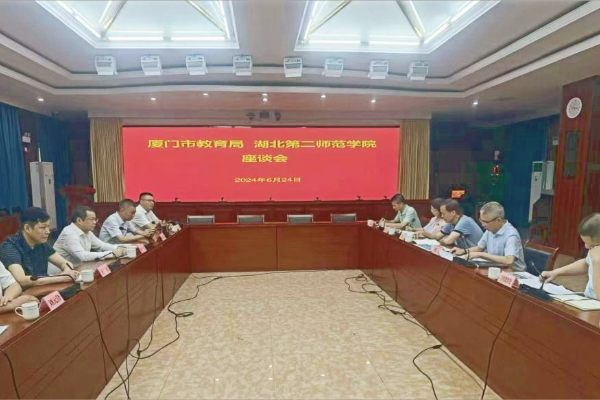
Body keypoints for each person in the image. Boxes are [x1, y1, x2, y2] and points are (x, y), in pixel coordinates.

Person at [0, 207, 79, 288]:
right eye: (43, 227)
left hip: (42, 288)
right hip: (22, 293)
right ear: (27, 228)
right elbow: (22, 280)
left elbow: (64, 263)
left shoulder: (41, 242)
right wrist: (61, 278)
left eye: (48, 227)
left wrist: (67, 272)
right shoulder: (10, 246)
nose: (48, 231)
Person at [449, 202, 526, 270]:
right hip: (496, 267)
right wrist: (464, 251)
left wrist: (480, 255)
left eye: (485, 222)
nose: (483, 225)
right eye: (481, 220)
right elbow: (479, 248)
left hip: (514, 271)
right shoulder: (490, 229)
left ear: (498, 220)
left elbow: (508, 260)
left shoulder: (511, 234)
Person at [541, 213, 600, 299]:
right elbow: (586, 264)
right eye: (585, 242)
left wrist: (597, 262)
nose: (586, 247)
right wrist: (556, 272)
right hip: (588, 300)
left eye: (592, 245)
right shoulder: (596, 249)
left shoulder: (596, 257)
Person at [54, 206, 128, 265]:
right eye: (92, 219)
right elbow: (83, 256)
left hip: (78, 268)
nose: (95, 222)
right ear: (79, 220)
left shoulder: (88, 232)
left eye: (95, 219)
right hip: (60, 273)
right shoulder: (69, 233)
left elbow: (102, 245)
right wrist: (112, 253)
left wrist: (120, 248)